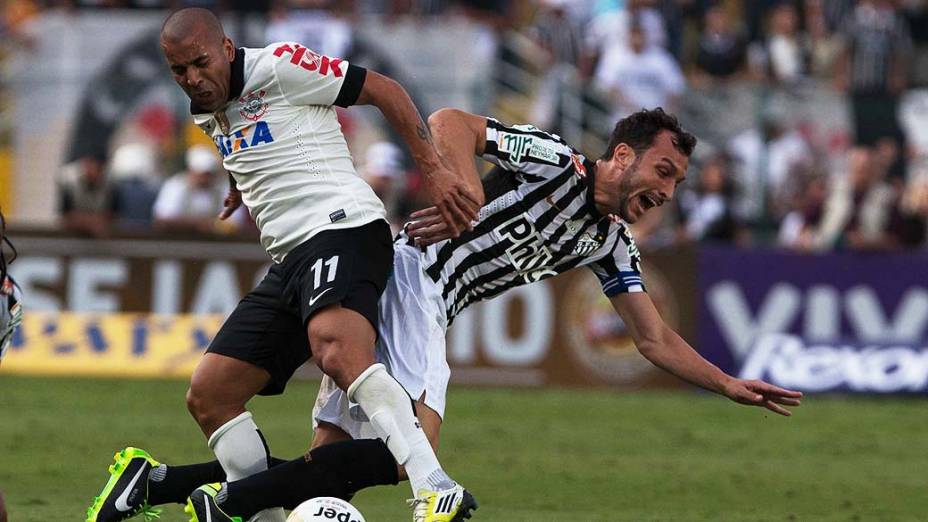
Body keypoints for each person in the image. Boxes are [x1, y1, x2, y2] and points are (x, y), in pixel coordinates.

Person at [106, 108, 802, 521]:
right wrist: (462, 181)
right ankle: (224, 507)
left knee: (335, 467)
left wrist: (728, 383)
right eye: (663, 173)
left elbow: (652, 339)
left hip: (422, 299)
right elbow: (451, 124)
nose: (668, 192)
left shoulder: (608, 240)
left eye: (676, 182)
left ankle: (167, 485)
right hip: (415, 281)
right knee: (415, 457)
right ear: (622, 156)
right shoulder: (556, 161)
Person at [85, 8, 480, 522]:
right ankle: (264, 516)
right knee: (211, 393)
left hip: (343, 228)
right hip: (292, 258)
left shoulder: (280, 66)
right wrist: (235, 187)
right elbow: (250, 145)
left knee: (337, 351)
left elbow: (385, 89)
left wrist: (433, 169)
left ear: (226, 49)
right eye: (179, 70)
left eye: (200, 63)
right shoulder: (205, 107)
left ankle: (434, 486)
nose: (192, 78)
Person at [153, 145, 244, 234]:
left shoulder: (225, 189)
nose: (205, 179)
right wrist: (199, 225)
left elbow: (235, 222)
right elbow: (163, 218)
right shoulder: (175, 186)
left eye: (209, 174)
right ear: (191, 171)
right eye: (201, 174)